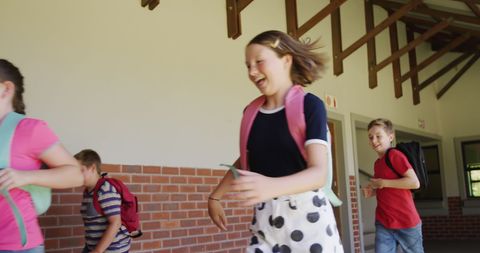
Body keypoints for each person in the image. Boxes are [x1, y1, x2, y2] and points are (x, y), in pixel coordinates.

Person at [208, 30, 343, 252]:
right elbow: (246, 159)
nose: (252, 71)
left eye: (259, 62)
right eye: (247, 65)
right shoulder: (251, 113)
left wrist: (270, 186)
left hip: (310, 223)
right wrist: (215, 197)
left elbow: (318, 174)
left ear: (286, 61)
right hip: (265, 224)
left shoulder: (310, 105)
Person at [0, 59, 83, 252]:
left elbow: (76, 174)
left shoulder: (29, 130)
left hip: (18, 247)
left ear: (6, 89)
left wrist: (23, 177)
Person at [363, 118, 424, 253]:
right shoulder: (377, 163)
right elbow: (386, 188)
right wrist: (372, 191)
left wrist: (384, 182)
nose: (374, 140)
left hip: (406, 222)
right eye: (370, 137)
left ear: (391, 137)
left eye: (378, 136)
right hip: (384, 221)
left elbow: (414, 182)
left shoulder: (395, 155)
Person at [74, 149, 131, 253]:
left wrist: (98, 250)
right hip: (93, 247)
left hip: (113, 250)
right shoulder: (88, 191)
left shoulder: (105, 190)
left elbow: (115, 223)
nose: (76, 175)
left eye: (80, 170)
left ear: (92, 168)